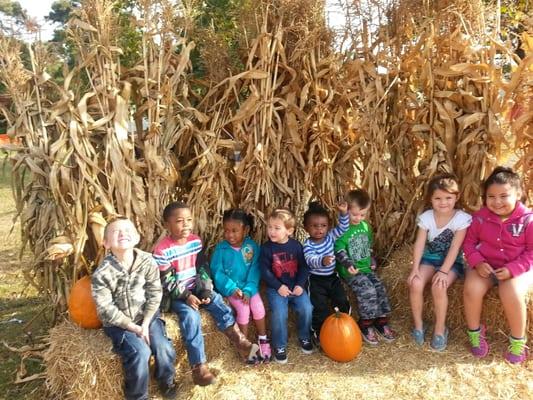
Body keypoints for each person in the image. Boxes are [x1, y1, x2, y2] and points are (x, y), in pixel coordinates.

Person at [153, 202, 260, 386]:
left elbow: (202, 267)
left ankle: (240, 341)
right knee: (191, 317)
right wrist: (187, 296)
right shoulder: (162, 250)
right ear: (166, 225)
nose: (186, 225)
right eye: (179, 221)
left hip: (197, 287)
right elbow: (167, 281)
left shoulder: (196, 241)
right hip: (177, 295)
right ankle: (199, 367)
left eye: (189, 220)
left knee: (218, 302)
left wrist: (205, 290)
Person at [91, 216, 177, 400]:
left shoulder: (147, 261)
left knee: (163, 348)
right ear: (105, 243)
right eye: (115, 232)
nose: (122, 234)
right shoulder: (102, 273)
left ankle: (166, 381)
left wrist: (146, 323)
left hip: (147, 316)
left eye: (127, 230)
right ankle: (137, 395)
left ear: (137, 237)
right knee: (140, 352)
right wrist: (133, 327)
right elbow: (106, 308)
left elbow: (155, 292)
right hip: (119, 324)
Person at [463, 166, 533, 364]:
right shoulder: (480, 218)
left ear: (518, 193)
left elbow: (532, 252)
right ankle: (475, 333)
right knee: (471, 289)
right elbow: (468, 244)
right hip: (486, 264)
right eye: (491, 196)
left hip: (517, 267)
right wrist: (477, 262)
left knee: (510, 292)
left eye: (504, 196)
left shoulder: (528, 220)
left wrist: (513, 269)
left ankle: (519, 341)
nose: (497, 202)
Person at [407, 174, 472, 350]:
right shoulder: (427, 217)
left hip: (451, 264)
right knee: (416, 283)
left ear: (456, 197)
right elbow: (420, 243)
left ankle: (440, 329)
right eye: (438, 198)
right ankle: (419, 326)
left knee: (439, 286)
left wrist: (443, 272)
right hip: (430, 259)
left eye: (448, 198)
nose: (443, 202)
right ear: (430, 199)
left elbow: (455, 248)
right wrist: (414, 269)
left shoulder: (461, 219)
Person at [334, 189, 397, 345]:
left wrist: (372, 260)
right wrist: (348, 264)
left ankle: (381, 321)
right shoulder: (342, 230)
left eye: (362, 215)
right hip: (351, 272)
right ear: (346, 209)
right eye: (354, 214)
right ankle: (365, 323)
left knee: (379, 287)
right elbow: (338, 249)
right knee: (367, 290)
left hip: (366, 268)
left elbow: (367, 247)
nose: (358, 218)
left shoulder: (366, 227)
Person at [210, 209, 271, 361]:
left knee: (258, 308)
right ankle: (244, 346)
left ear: (246, 230)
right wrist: (231, 288)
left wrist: (249, 290)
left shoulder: (252, 247)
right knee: (243, 309)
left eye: (235, 231)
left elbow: (255, 270)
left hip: (249, 287)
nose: (230, 235)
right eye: (227, 230)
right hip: (232, 290)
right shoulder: (221, 249)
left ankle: (263, 339)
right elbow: (217, 272)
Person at [260, 208, 313, 364]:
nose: (272, 231)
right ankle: (280, 345)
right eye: (269, 227)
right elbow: (264, 271)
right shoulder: (266, 248)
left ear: (289, 231)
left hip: (295, 287)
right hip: (276, 289)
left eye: (277, 228)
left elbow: (304, 267)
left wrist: (300, 285)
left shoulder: (296, 246)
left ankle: (304, 336)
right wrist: (278, 286)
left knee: (306, 308)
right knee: (279, 313)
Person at [303, 200, 350, 345]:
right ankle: (318, 333)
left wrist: (343, 213)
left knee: (342, 300)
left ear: (328, 226)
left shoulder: (330, 237)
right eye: (314, 226)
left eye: (323, 226)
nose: (319, 229)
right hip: (316, 280)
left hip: (332, 277)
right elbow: (310, 259)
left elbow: (343, 228)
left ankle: (346, 327)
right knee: (319, 307)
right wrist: (322, 261)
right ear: (306, 227)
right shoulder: (307, 244)